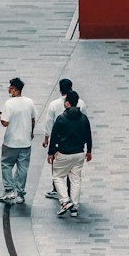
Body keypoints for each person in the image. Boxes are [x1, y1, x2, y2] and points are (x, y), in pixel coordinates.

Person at [48, 90, 93, 218]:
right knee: (75, 180)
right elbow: (88, 135)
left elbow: (54, 136)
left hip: (64, 153)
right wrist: (89, 151)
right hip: (79, 153)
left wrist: (51, 152)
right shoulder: (84, 118)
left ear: (67, 103)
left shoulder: (61, 118)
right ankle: (75, 207)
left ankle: (65, 201)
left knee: (57, 177)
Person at [41, 79, 89, 198]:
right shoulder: (81, 103)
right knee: (73, 172)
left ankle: (58, 190)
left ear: (60, 89)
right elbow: (85, 121)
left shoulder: (54, 104)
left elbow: (49, 123)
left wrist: (46, 138)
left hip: (59, 140)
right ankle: (71, 193)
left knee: (57, 168)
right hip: (77, 140)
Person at [0, 76, 36, 205]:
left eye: (9, 88)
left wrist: (0, 117)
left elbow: (5, 123)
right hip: (25, 141)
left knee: (6, 165)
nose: (8, 89)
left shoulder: (9, 103)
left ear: (14, 90)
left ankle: (9, 190)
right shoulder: (30, 101)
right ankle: (20, 193)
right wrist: (31, 133)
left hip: (11, 141)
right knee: (23, 167)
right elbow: (32, 119)